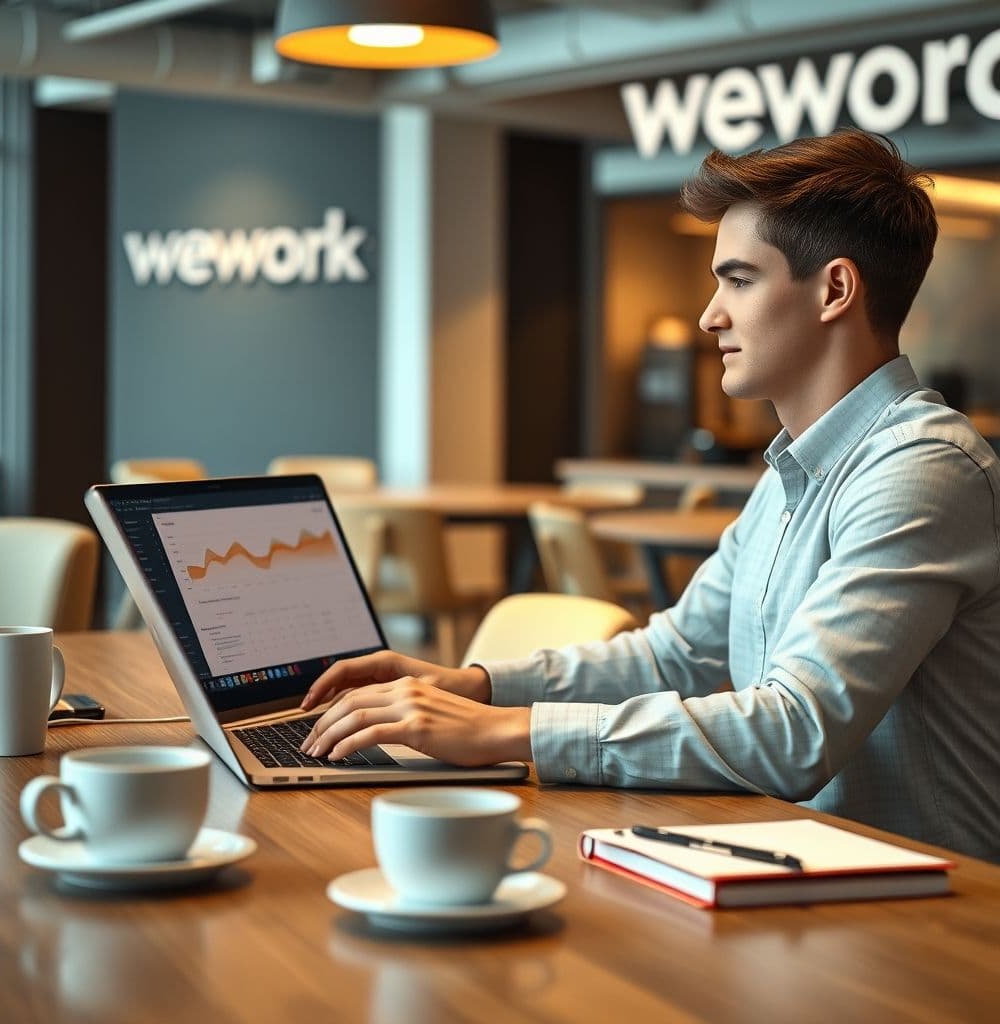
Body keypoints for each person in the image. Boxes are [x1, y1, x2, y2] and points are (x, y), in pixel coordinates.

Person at [300, 130, 1000, 862]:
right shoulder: (793, 473)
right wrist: (474, 688)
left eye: (738, 279)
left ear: (834, 290)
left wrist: (514, 732)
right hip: (814, 875)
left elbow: (797, 733)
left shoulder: (924, 468)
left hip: (931, 918)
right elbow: (676, 656)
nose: (709, 315)